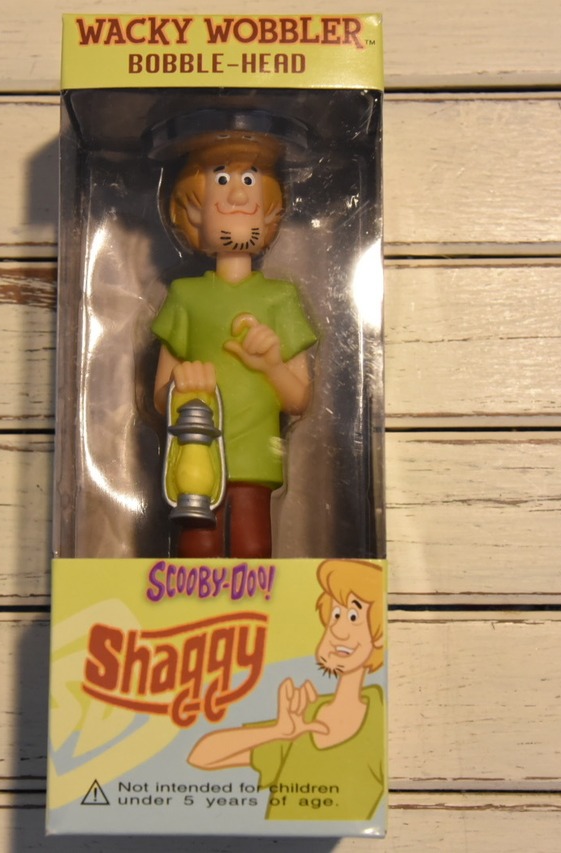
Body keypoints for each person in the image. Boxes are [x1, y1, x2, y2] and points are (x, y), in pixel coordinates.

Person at [152, 130, 317, 558]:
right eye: (222, 180)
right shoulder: (186, 296)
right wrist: (181, 386)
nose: (239, 196)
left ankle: (255, 604)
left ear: (272, 211)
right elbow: (159, 396)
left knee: (253, 545)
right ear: (192, 211)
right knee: (196, 548)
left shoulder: (280, 298)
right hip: (196, 453)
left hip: (255, 457)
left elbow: (299, 399)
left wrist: (271, 367)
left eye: (250, 181)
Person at [186, 560, 386, 821]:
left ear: (378, 636)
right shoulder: (305, 711)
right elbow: (201, 757)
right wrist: (278, 731)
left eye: (353, 617)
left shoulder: (380, 716)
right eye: (336, 615)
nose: (338, 630)